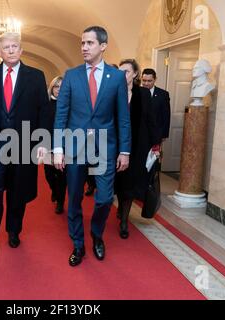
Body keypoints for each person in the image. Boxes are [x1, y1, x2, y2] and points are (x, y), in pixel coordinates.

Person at [0, 32, 50, 266]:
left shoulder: (35, 76)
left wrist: (44, 143)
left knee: (18, 191)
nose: (11, 50)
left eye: (15, 46)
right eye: (6, 47)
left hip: (24, 145)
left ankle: (14, 230)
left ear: (21, 50)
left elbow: (43, 112)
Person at [54, 26, 131, 267]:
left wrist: (124, 150)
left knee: (105, 199)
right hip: (75, 147)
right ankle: (78, 244)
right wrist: (58, 149)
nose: (84, 47)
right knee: (74, 199)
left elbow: (123, 117)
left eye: (90, 43)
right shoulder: (72, 75)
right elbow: (61, 114)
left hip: (105, 148)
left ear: (103, 46)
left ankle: (97, 234)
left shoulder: (116, 77)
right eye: (82, 43)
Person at [115, 60, 162, 238]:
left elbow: (151, 120)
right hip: (115, 145)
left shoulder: (142, 93)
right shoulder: (114, 91)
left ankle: (124, 221)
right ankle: (120, 204)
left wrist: (155, 144)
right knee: (118, 181)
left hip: (137, 146)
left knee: (129, 182)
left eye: (126, 71)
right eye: (120, 72)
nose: (122, 75)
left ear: (135, 74)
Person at [45, 76, 67, 214]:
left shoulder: (69, 104)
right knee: (49, 175)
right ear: (52, 88)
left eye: (61, 86)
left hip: (63, 145)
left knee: (61, 175)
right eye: (56, 86)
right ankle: (54, 190)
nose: (59, 89)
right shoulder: (45, 103)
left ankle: (60, 201)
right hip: (47, 144)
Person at [141, 68, 171, 142]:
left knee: (154, 154)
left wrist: (164, 134)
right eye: (144, 80)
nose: (146, 83)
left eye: (149, 81)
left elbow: (166, 115)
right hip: (139, 133)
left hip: (156, 133)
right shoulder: (135, 93)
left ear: (155, 79)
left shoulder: (163, 94)